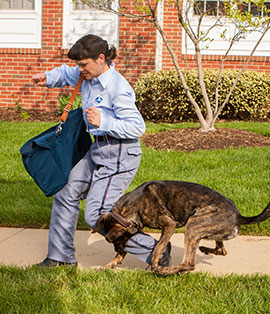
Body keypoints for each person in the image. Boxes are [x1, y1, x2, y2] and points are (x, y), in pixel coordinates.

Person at [32, 34, 171, 268]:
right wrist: (48, 77)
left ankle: (155, 250)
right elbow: (67, 73)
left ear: (100, 59)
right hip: (97, 149)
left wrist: (104, 121)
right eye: (79, 65)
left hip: (119, 155)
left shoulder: (117, 88)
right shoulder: (87, 74)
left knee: (97, 215)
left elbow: (137, 127)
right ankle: (61, 257)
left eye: (84, 65)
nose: (80, 70)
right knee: (65, 191)